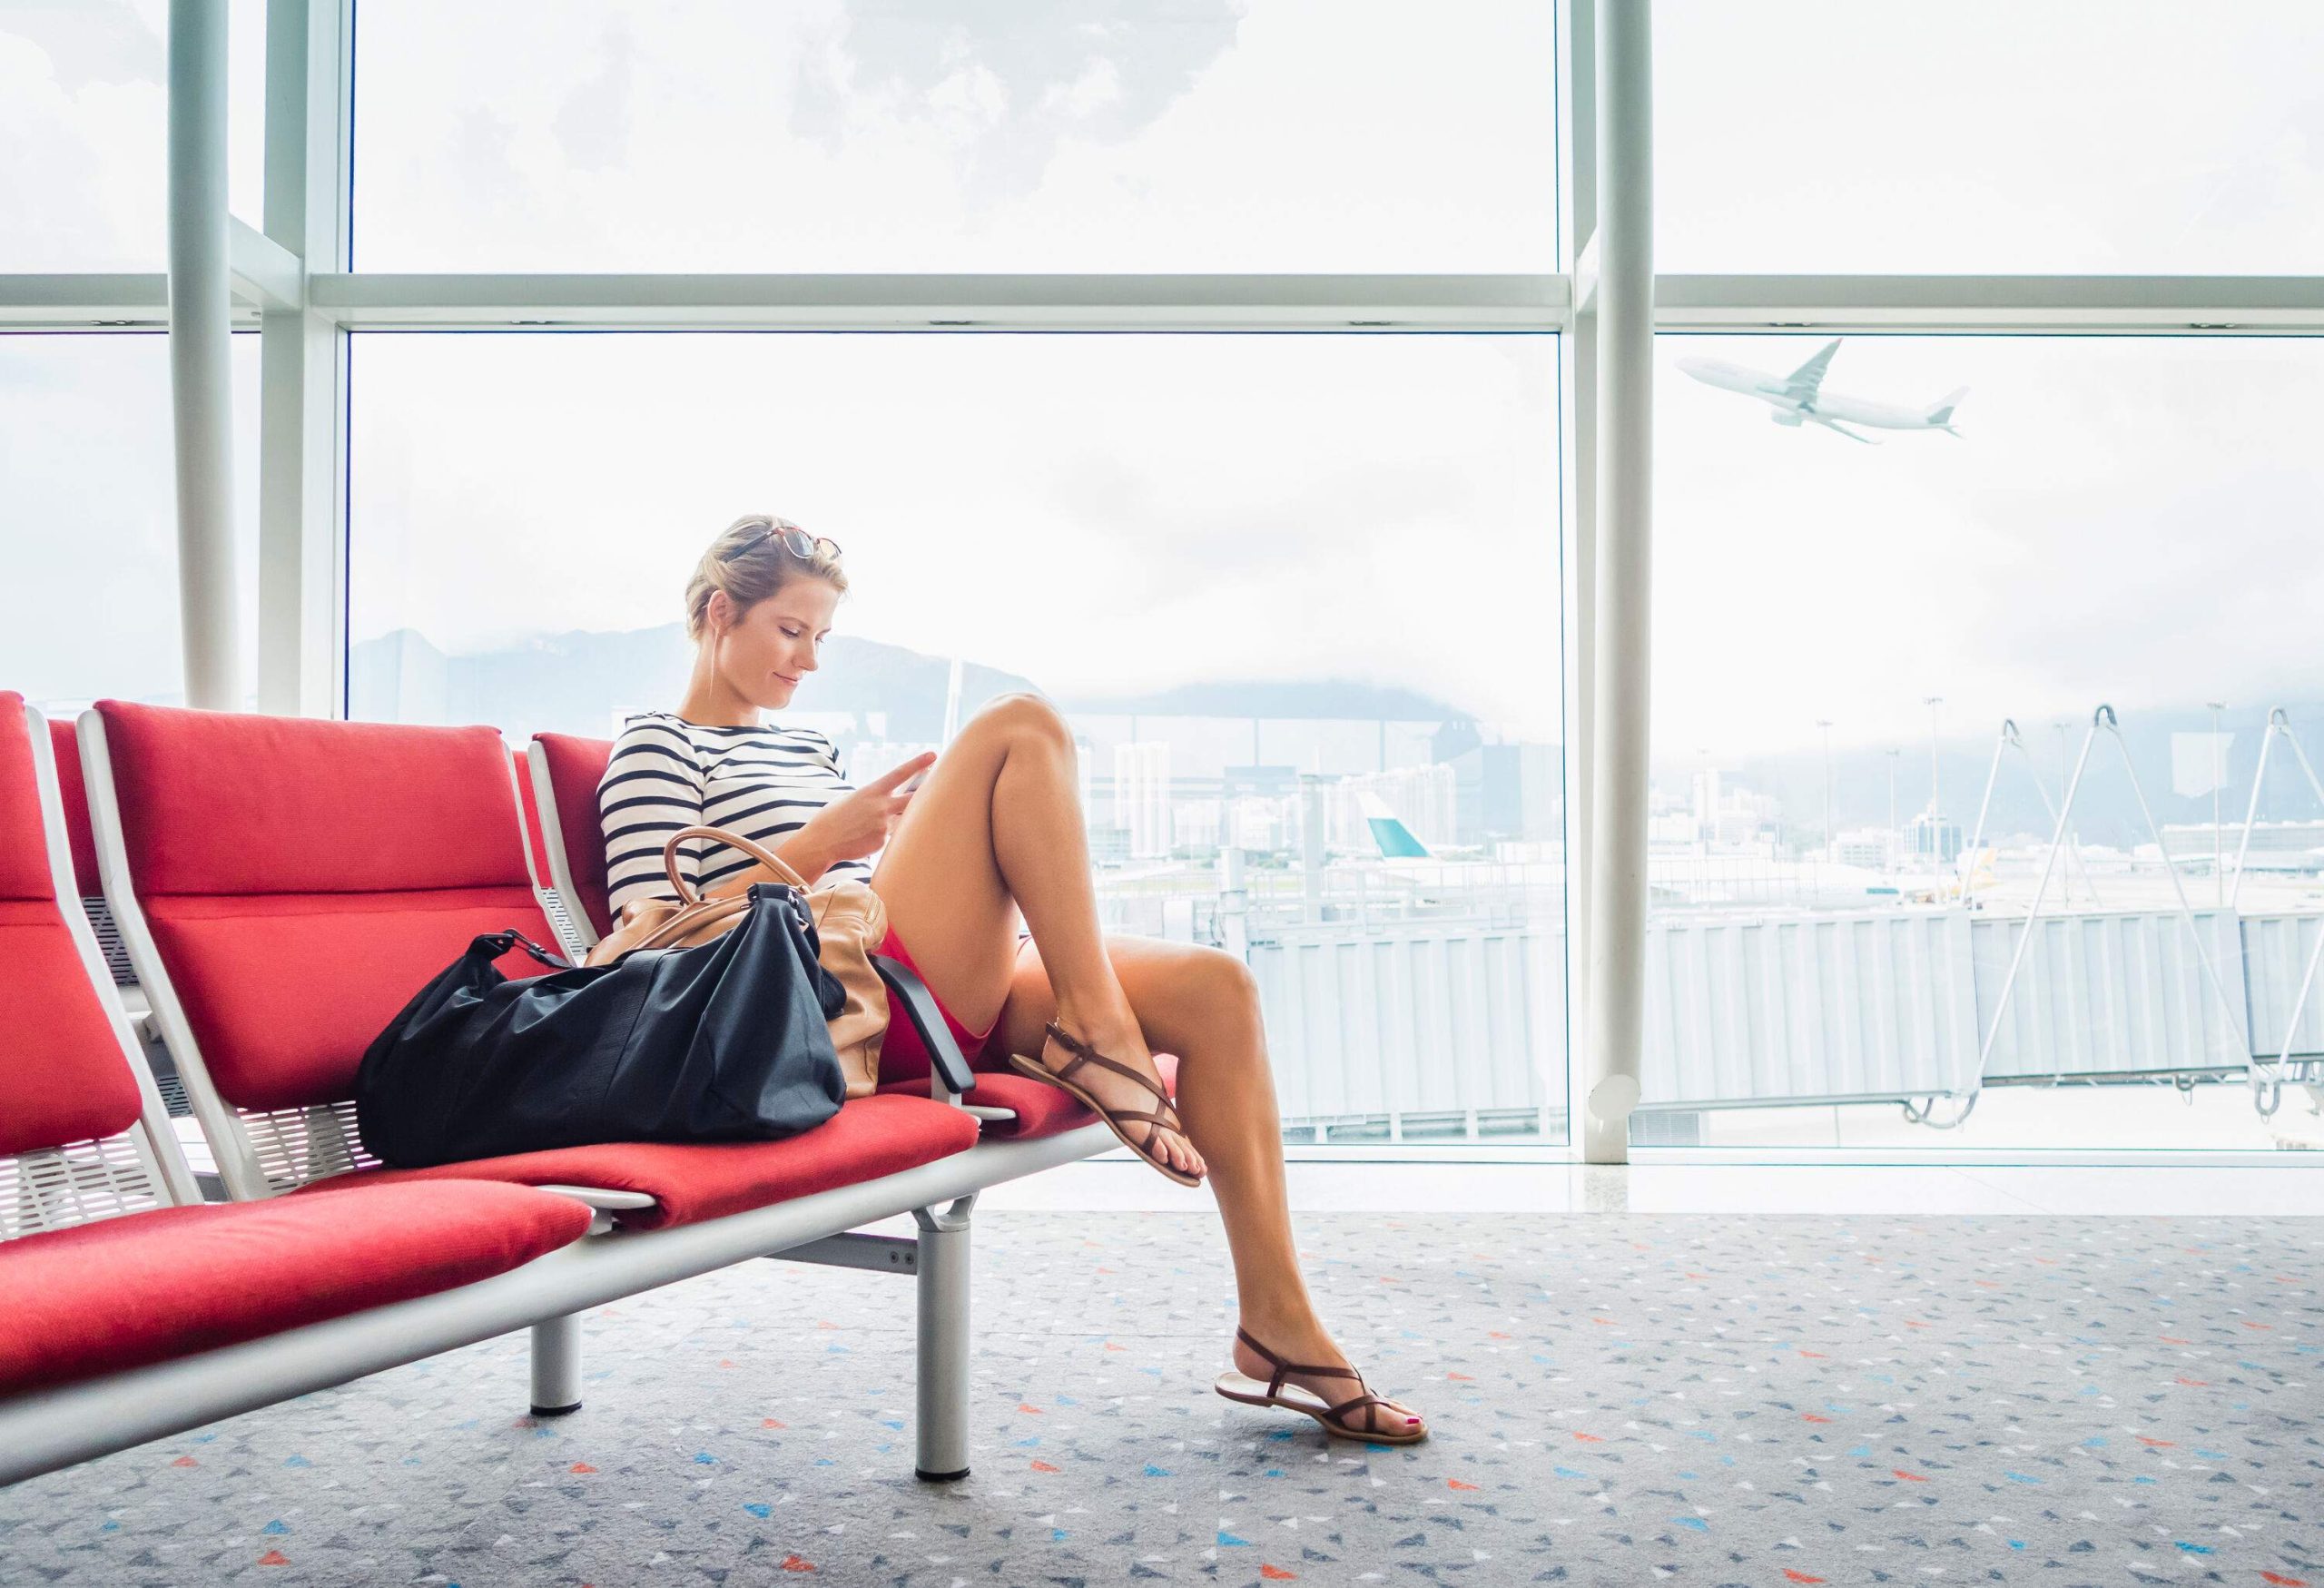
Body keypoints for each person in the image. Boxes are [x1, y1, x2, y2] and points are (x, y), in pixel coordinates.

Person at [598, 514, 1426, 1444]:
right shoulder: (655, 749)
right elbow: (646, 954)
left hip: (899, 978)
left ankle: (1276, 1322)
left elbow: (861, 888)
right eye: (790, 632)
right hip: (820, 1011)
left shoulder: (806, 749)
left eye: (821, 638)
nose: (809, 662)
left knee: (1216, 989)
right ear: (719, 612)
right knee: (1020, 723)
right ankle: (1096, 1032)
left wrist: (930, 862)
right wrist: (826, 839)